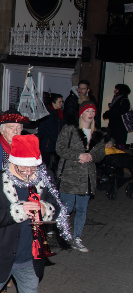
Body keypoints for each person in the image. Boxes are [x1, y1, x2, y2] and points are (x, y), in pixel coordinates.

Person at [0, 134, 62, 293]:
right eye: (23, 167)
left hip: (30, 259)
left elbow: (58, 206)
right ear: (13, 162)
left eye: (33, 167)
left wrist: (45, 208)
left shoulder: (46, 178)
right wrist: (17, 211)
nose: (28, 172)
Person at [55, 101, 105, 252]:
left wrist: (91, 156)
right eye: (88, 111)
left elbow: (101, 152)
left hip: (87, 177)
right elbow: (59, 148)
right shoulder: (70, 129)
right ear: (82, 113)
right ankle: (62, 234)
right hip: (70, 175)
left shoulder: (97, 132)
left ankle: (77, 238)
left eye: (92, 111)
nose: (90, 114)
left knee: (82, 209)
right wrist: (78, 155)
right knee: (67, 208)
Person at [39, 94, 65, 171]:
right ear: (53, 103)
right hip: (47, 143)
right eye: (59, 102)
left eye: (62, 102)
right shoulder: (47, 113)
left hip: (56, 143)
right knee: (45, 163)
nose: (61, 104)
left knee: (56, 164)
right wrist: (55, 138)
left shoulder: (59, 112)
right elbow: (43, 128)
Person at [102, 84, 131, 148]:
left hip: (120, 128)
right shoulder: (117, 99)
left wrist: (109, 115)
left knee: (118, 145)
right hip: (114, 126)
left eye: (117, 89)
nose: (115, 91)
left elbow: (121, 114)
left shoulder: (124, 100)